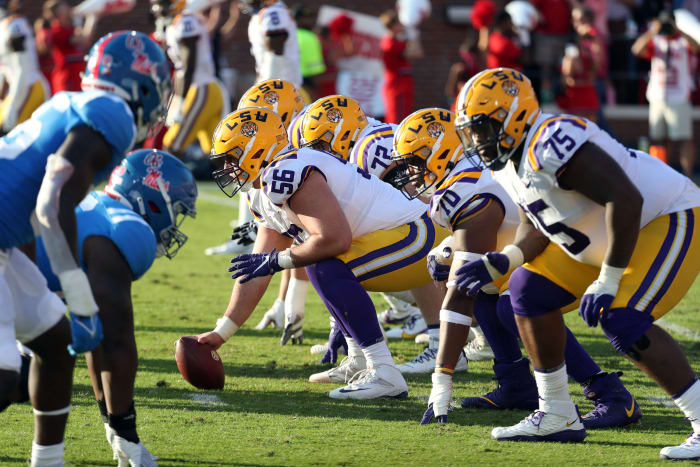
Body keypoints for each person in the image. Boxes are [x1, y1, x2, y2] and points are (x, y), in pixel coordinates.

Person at [454, 67, 700, 460]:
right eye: (473, 131)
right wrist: (506, 259)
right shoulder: (508, 162)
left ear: (515, 114)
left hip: (665, 216)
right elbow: (538, 223)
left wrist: (609, 279)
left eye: (484, 128)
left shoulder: (552, 140)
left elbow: (626, 199)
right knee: (525, 291)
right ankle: (556, 414)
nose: (479, 141)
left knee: (622, 318)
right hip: (608, 235)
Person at [393, 106, 640, 428]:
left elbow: (459, 297)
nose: (411, 172)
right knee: (479, 282)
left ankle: (608, 391)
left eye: (415, 160)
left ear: (440, 149)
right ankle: (515, 382)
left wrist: (443, 376)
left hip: (578, 245)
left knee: (513, 302)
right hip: (536, 244)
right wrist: (449, 248)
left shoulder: (467, 190)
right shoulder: (466, 176)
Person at [196, 105, 451, 399]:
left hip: (421, 237)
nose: (227, 168)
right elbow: (254, 271)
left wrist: (277, 261)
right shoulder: (264, 190)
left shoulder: (286, 171)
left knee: (322, 265)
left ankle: (384, 372)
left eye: (231, 158)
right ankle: (359, 361)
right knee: (320, 262)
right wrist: (221, 333)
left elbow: (334, 239)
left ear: (255, 149)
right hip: (405, 237)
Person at [0, 30, 171, 467]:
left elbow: (35, 204)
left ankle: (48, 461)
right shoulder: (111, 114)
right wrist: (79, 299)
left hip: (4, 243)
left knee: (54, 345)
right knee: (3, 378)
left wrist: (50, 286)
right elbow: (50, 205)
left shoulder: (70, 102)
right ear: (144, 83)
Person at [35, 149, 196, 465]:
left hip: (16, 278)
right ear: (152, 197)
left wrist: (114, 424)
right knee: (24, 373)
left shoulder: (95, 202)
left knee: (45, 354)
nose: (174, 222)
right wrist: (128, 434)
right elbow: (116, 338)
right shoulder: (128, 229)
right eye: (175, 210)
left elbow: (97, 331)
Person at [150, 0, 230, 160]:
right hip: (204, 88)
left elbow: (189, 64)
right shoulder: (179, 22)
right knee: (219, 153)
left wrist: (181, 100)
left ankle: (164, 183)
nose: (156, 9)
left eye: (161, 4)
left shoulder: (185, 22)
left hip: (200, 89)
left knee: (172, 144)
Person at [631, 11, 699, 177]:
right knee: (657, 138)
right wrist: (653, 31)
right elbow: (636, 49)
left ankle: (688, 175)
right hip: (658, 95)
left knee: (684, 138)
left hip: (680, 95)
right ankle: (660, 174)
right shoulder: (656, 41)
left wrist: (679, 31)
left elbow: (697, 47)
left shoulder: (683, 42)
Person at [0, 0, 50, 135]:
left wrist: (12, 105)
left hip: (29, 86)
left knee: (13, 134)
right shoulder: (3, 26)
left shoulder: (15, 25)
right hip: (15, 88)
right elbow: (5, 68)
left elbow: (22, 68)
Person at [44, 0, 99, 93]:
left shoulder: (71, 28)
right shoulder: (57, 30)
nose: (68, 8)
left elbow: (85, 42)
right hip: (67, 77)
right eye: (64, 6)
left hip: (78, 74)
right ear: (58, 12)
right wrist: (92, 18)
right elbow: (84, 39)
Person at [379, 9, 416, 124]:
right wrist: (414, 37)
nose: (402, 26)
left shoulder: (397, 41)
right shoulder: (390, 43)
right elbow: (415, 53)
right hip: (397, 87)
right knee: (397, 121)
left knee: (405, 118)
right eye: (399, 23)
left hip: (403, 85)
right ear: (393, 25)